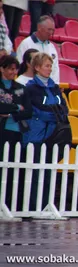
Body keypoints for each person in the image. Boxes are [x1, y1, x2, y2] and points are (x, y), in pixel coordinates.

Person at [23, 52, 68, 210]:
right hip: (36, 136)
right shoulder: (31, 88)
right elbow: (36, 111)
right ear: (37, 67)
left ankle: (45, 206)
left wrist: (54, 114)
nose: (50, 69)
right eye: (47, 66)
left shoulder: (55, 88)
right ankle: (32, 206)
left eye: (51, 66)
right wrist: (54, 114)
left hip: (53, 136)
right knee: (34, 174)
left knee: (49, 172)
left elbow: (64, 109)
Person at [0, 55, 32, 210]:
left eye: (15, 69)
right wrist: (17, 107)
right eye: (10, 69)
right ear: (2, 69)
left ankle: (10, 203)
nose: (14, 72)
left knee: (14, 168)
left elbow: (29, 111)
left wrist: (12, 111)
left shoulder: (21, 88)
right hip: (2, 130)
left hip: (17, 130)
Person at [16, 15, 59, 84]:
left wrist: (56, 84)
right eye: (49, 29)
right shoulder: (26, 44)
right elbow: (21, 65)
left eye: (52, 30)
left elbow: (55, 69)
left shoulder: (52, 47)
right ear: (39, 28)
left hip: (48, 86)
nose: (51, 33)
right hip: (29, 85)